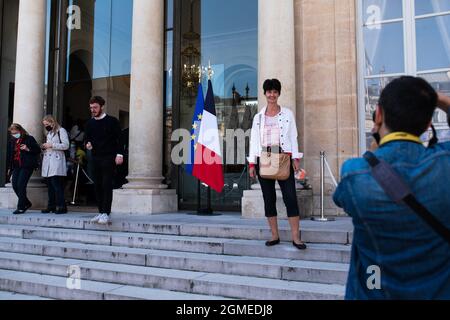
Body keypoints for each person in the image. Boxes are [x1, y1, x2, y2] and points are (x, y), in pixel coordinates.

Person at [333, 76, 450, 300]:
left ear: (377, 115)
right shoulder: (445, 163)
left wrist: (375, 154)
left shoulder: (355, 174)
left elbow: (341, 199)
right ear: (428, 124)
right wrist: (439, 100)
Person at [248, 79, 307, 250]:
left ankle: (296, 237)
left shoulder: (287, 114)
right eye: (269, 92)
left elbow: (293, 136)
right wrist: (252, 163)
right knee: (269, 198)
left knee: (290, 197)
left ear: (278, 94)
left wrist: (295, 158)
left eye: (275, 92)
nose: (272, 95)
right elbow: (253, 140)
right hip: (264, 159)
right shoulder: (258, 117)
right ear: (265, 94)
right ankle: (274, 235)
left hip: (283, 158)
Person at [85, 96, 124, 225]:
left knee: (107, 185)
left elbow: (120, 139)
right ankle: (101, 211)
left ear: (102, 106)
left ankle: (106, 213)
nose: (93, 110)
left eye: (95, 107)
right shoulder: (90, 123)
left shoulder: (112, 121)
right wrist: (87, 144)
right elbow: (87, 138)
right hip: (95, 157)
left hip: (109, 157)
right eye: (91, 108)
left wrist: (120, 155)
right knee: (97, 185)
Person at [6, 124, 41, 215]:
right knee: (15, 185)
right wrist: (9, 167)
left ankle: (21, 207)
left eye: (15, 133)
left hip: (27, 166)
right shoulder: (12, 141)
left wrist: (27, 148)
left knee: (21, 185)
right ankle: (27, 203)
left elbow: (37, 150)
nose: (14, 134)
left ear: (20, 131)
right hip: (16, 166)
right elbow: (11, 155)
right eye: (12, 133)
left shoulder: (29, 139)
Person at [41, 115, 70, 214]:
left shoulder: (61, 131)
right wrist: (45, 147)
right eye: (44, 125)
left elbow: (66, 145)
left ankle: (62, 206)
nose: (46, 126)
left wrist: (52, 145)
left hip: (56, 161)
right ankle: (51, 206)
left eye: (47, 124)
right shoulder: (49, 133)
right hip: (48, 161)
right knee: (50, 186)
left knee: (56, 185)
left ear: (52, 122)